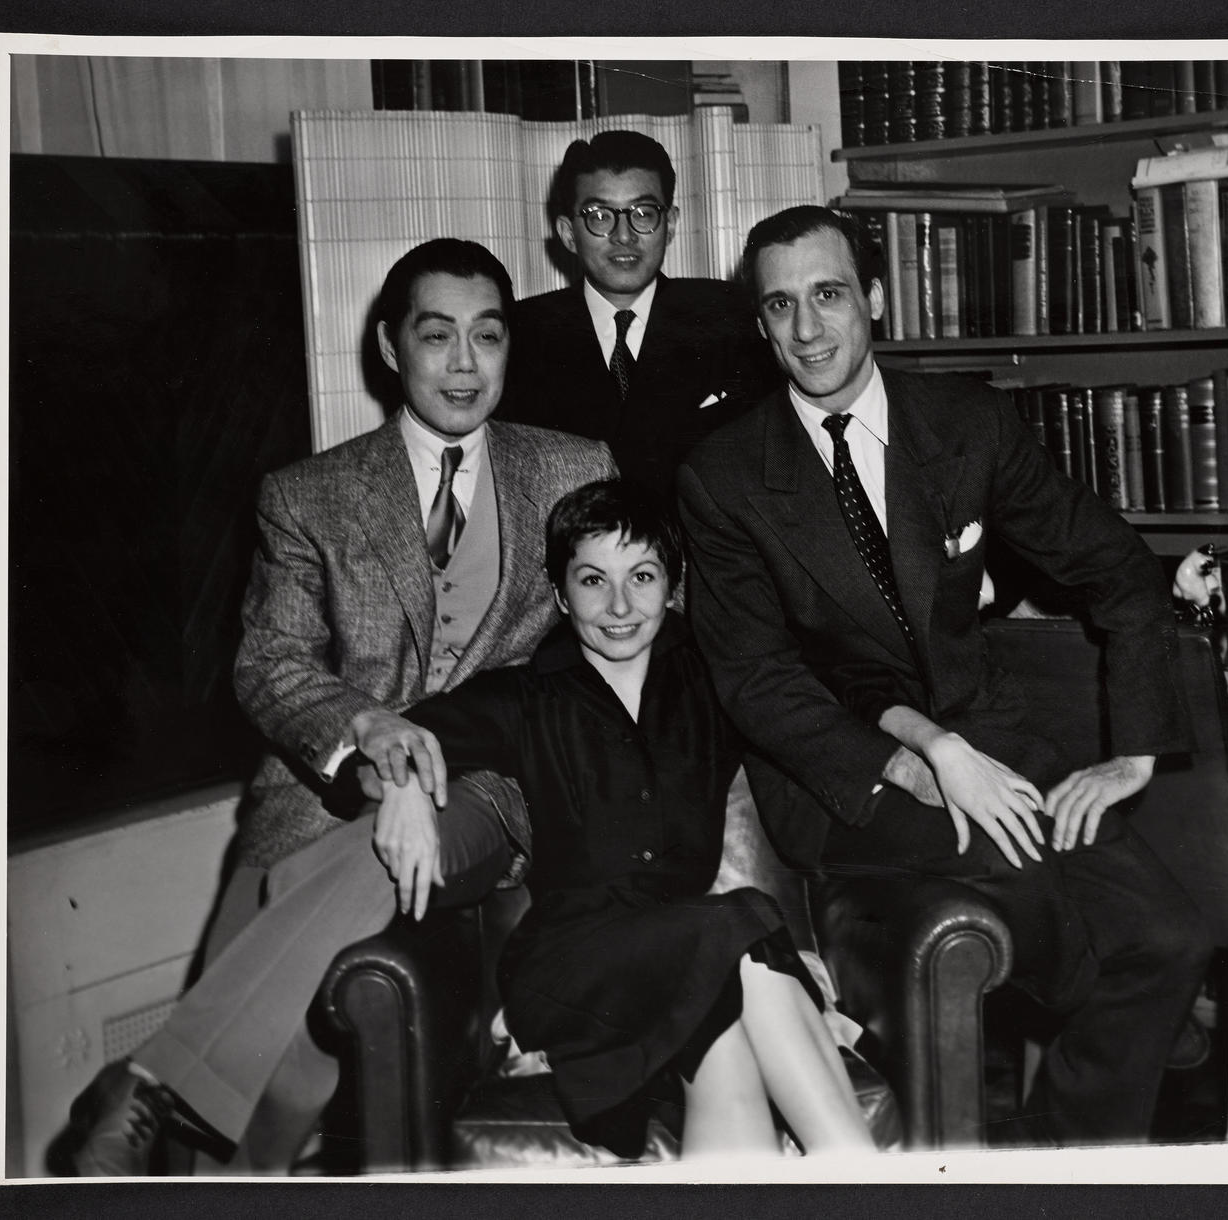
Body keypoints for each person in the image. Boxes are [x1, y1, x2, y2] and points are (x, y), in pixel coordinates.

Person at [63, 238, 615, 1175]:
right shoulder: (308, 494)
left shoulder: (572, 470)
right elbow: (270, 663)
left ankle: (151, 1082)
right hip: (314, 803)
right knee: (269, 1067)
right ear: (390, 347)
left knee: (290, 974)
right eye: (437, 336)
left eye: (488, 336)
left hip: (492, 789)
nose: (466, 364)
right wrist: (368, 730)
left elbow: (630, 624)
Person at [676, 205, 1214, 1146]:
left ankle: (1059, 1172)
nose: (808, 331)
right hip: (846, 778)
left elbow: (1116, 567)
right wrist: (920, 761)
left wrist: (1136, 753)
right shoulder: (722, 475)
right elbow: (759, 681)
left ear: (875, 298)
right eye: (781, 307)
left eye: (830, 295)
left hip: (994, 739)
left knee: (1172, 936)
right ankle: (1106, 1005)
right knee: (1095, 921)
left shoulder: (967, 422)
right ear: (759, 325)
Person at [370, 479, 875, 1159]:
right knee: (743, 916)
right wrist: (401, 778)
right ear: (559, 594)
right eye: (591, 580)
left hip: (688, 957)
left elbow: (833, 700)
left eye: (642, 577)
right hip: (571, 966)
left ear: (674, 586)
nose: (618, 606)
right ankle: (862, 1178)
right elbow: (381, 747)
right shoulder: (524, 698)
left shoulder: (715, 684)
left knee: (724, 1044)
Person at [502, 129, 777, 500]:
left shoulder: (733, 314)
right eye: (599, 216)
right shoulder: (520, 333)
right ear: (568, 233)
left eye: (643, 213)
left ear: (672, 223)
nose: (624, 236)